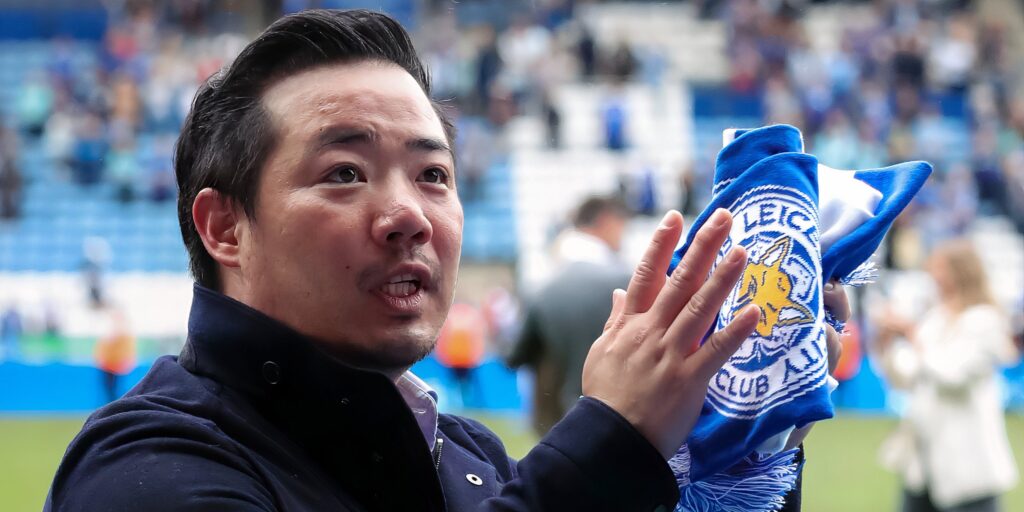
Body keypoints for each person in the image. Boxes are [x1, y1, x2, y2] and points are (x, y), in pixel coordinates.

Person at [46, 10, 843, 511]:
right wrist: (613, 443)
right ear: (224, 228)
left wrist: (747, 446)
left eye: (434, 175)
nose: (407, 215)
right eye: (344, 174)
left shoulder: (467, 457)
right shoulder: (146, 469)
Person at [877, 239, 1019, 512]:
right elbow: (906, 376)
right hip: (924, 466)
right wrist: (886, 343)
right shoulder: (936, 318)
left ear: (960, 272)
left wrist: (910, 333)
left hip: (969, 465)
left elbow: (952, 377)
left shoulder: (986, 320)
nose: (932, 273)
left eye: (940, 267)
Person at [508, 196, 631, 436]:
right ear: (607, 222)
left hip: (559, 429)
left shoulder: (543, 286)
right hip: (618, 422)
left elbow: (515, 356)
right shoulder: (626, 280)